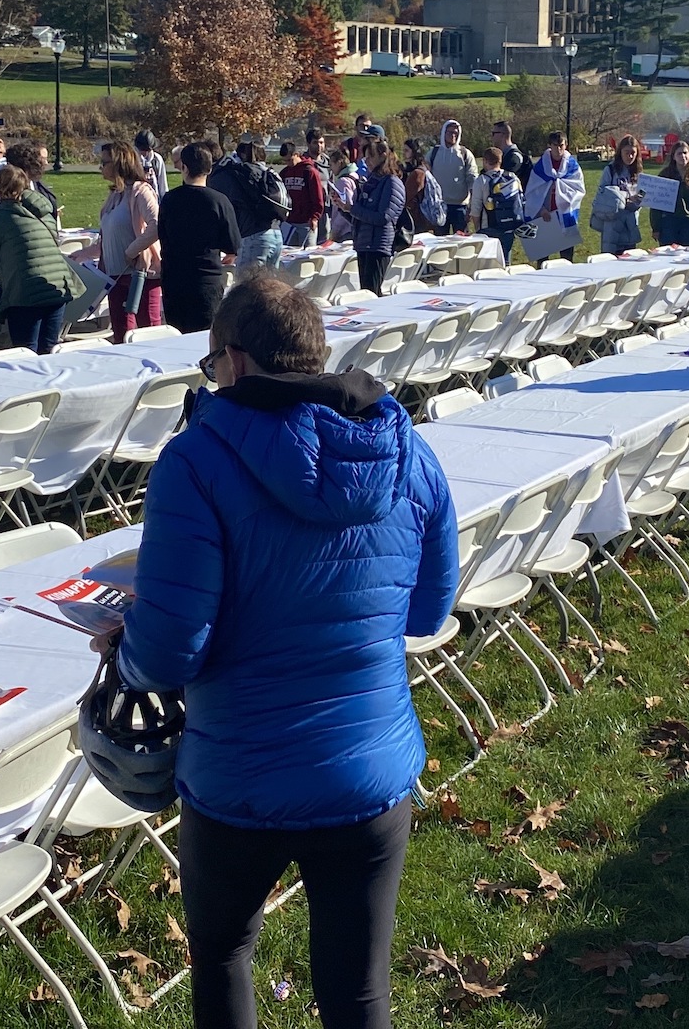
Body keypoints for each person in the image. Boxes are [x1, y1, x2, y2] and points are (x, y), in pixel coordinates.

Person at [116, 274, 456, 1029]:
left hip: (240, 771)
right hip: (368, 768)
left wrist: (126, 653)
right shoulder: (407, 449)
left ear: (234, 364)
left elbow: (168, 653)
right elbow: (428, 610)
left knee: (225, 954)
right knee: (358, 989)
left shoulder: (197, 459)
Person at [0, 164, 80, 355]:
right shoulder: (43, 210)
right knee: (49, 349)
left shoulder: (2, 218)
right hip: (57, 287)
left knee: (25, 352)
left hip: (26, 292)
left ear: (0, 191)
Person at [156, 143, 243, 332]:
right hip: (206, 280)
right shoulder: (219, 201)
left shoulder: (170, 200)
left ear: (184, 167)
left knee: (176, 335)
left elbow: (162, 236)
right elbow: (233, 244)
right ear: (210, 169)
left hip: (175, 280)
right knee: (204, 340)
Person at [99, 142, 165, 341]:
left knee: (148, 332)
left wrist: (131, 251)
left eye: (104, 162)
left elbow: (157, 226)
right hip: (114, 276)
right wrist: (83, 255)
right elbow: (110, 235)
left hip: (140, 275)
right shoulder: (114, 194)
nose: (100, 167)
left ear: (119, 163)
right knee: (121, 334)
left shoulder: (141, 191)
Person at [214, 140, 286, 277]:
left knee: (246, 289)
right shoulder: (266, 173)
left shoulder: (243, 175)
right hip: (276, 233)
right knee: (269, 288)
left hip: (254, 235)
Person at [349, 138, 407, 295]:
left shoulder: (392, 182)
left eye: (370, 156)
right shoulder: (373, 181)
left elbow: (383, 217)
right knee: (365, 294)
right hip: (364, 244)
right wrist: (345, 208)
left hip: (378, 246)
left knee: (372, 294)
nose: (366, 161)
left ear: (382, 155)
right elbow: (361, 215)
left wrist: (353, 209)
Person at [521, 131, 585, 262]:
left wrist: (567, 202)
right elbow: (532, 192)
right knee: (543, 258)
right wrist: (541, 210)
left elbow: (578, 189)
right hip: (545, 216)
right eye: (555, 145)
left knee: (567, 258)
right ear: (549, 145)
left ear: (566, 145)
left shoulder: (572, 167)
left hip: (565, 215)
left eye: (561, 145)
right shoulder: (540, 167)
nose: (558, 149)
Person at [594, 136, 647, 253]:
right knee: (611, 261)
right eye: (626, 152)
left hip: (630, 223)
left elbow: (642, 194)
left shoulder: (638, 172)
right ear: (620, 152)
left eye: (633, 153)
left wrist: (642, 198)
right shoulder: (610, 170)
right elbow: (603, 194)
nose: (630, 156)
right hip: (612, 222)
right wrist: (625, 198)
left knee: (629, 261)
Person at [472, 147, 525, 262]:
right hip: (509, 226)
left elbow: (475, 209)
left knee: (488, 264)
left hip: (489, 227)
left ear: (485, 161)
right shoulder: (512, 177)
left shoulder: (482, 180)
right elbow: (521, 200)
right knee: (505, 262)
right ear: (500, 161)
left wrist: (477, 228)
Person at [652, 140, 689, 247]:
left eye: (685, 153)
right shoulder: (665, 175)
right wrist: (656, 227)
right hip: (668, 223)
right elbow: (656, 204)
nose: (683, 156)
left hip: (688, 223)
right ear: (673, 156)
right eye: (679, 153)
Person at [428, 120, 476, 234]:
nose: (453, 135)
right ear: (444, 132)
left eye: (456, 133)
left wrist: (472, 206)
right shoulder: (433, 153)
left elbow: (472, 178)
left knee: (461, 244)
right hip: (439, 206)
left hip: (460, 207)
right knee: (440, 243)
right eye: (450, 132)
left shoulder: (465, 154)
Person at [279, 141, 328, 249]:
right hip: (289, 223)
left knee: (307, 255)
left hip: (306, 223)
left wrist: (315, 217)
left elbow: (318, 197)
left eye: (289, 160)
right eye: (285, 161)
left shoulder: (309, 172)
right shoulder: (284, 173)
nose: (288, 163)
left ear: (296, 155)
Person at [135, 129, 170, 199]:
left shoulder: (157, 160)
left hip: (154, 198)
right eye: (142, 150)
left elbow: (163, 185)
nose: (144, 153)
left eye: (147, 150)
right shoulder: (132, 159)